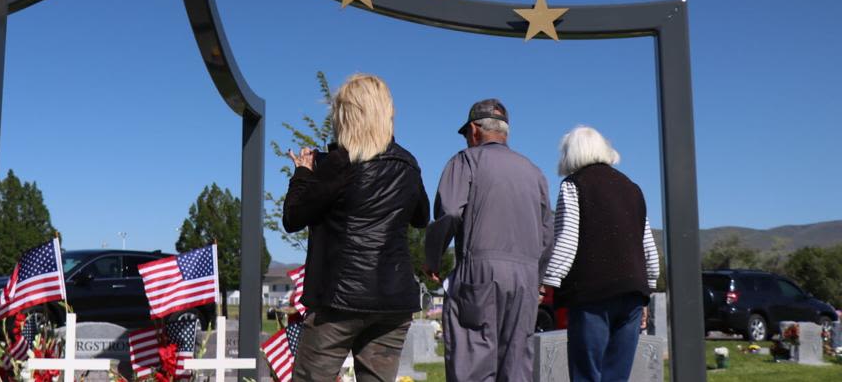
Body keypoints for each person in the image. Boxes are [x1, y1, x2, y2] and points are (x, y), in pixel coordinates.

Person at [282, 73, 429, 382]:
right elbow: (420, 218)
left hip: (339, 299)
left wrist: (302, 174)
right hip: (393, 298)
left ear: (345, 115)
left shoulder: (338, 164)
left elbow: (293, 218)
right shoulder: (408, 165)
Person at [424, 98, 553, 382]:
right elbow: (547, 233)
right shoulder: (534, 172)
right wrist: (538, 278)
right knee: (517, 365)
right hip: (526, 279)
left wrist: (432, 256)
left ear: (474, 129)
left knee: (472, 363)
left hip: (480, 273)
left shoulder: (466, 160)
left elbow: (450, 213)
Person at [541, 126, 660, 382]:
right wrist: (647, 291)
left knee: (587, 374)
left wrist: (547, 281)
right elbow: (647, 246)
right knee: (616, 377)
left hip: (592, 294)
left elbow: (567, 240)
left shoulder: (574, 185)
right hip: (632, 294)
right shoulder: (633, 189)